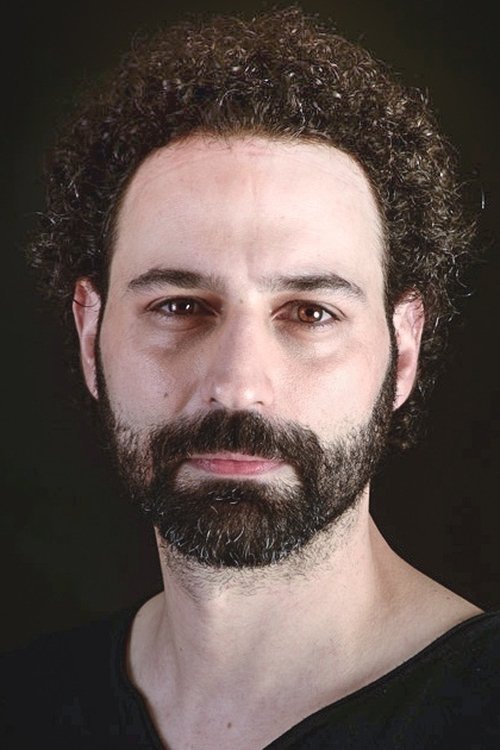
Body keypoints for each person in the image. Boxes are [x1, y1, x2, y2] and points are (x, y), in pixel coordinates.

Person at [2, 6, 499, 748]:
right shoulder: (23, 705)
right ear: (89, 334)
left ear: (402, 353)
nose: (237, 385)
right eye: (179, 306)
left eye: (310, 313)